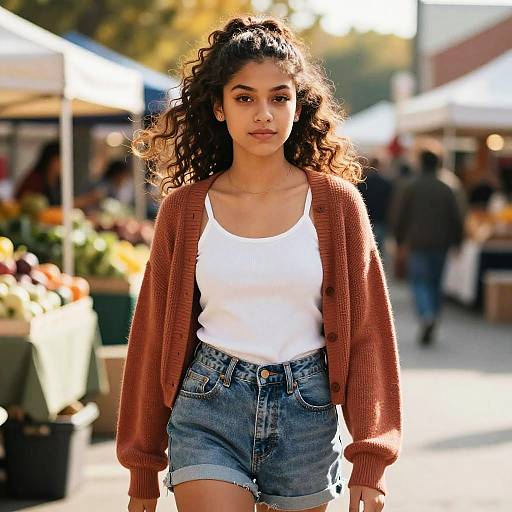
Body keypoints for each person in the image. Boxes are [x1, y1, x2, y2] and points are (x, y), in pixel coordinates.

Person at [116, 15, 402, 512]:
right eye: (245, 97)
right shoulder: (184, 210)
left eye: (279, 97)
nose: (263, 113)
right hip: (208, 407)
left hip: (307, 414)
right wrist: (143, 468)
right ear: (220, 108)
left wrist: (370, 460)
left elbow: (369, 331)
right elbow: (153, 333)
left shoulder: (337, 205)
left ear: (298, 105)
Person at [394, 150, 464, 347]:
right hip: (441, 242)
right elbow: (456, 217)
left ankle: (426, 314)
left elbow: (401, 217)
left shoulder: (411, 186)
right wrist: (458, 242)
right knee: (436, 282)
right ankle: (432, 315)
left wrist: (399, 241)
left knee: (419, 281)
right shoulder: (447, 187)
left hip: (417, 242)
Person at [15, 140, 106, 210]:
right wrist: (86, 200)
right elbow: (47, 209)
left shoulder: (57, 181)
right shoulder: (35, 179)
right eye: (63, 159)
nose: (67, 164)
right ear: (52, 160)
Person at [357, 158, 393, 260]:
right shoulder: (386, 183)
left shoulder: (363, 182)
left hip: (366, 219)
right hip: (381, 219)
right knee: (379, 249)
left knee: (365, 248)